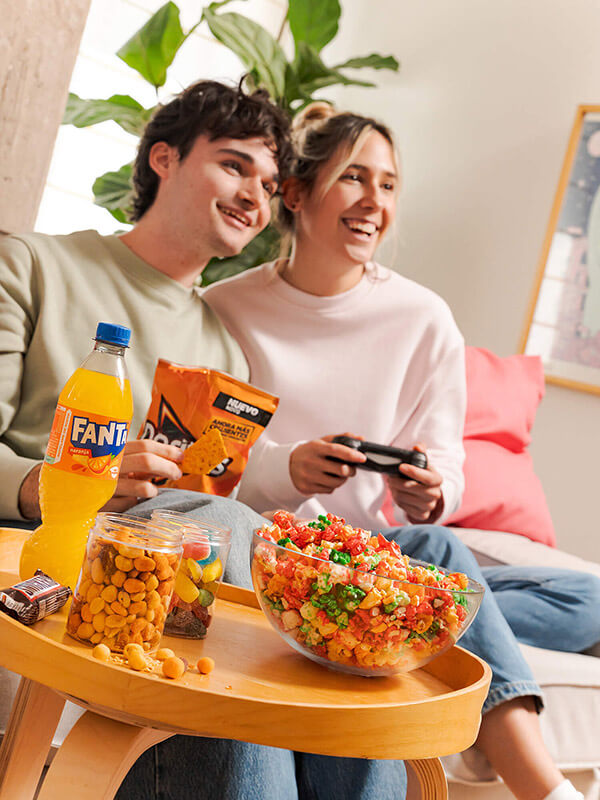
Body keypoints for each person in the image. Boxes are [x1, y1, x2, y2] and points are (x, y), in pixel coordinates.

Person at [0, 81, 410, 800]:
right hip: (50, 546)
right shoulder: (29, 266)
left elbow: (212, 492)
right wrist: (59, 482)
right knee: (236, 532)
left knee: (265, 545)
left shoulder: (228, 350)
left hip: (160, 575)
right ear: (164, 158)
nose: (256, 193)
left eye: (267, 180)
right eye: (232, 165)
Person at [203, 102, 600, 800]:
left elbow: (446, 462)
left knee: (580, 595)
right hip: (276, 558)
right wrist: (287, 468)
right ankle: (549, 791)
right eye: (353, 177)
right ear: (295, 193)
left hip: (379, 562)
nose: (373, 202)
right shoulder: (227, 307)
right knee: (444, 560)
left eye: (388, 184)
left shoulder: (422, 318)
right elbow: (207, 469)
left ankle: (447, 621)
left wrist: (429, 490)